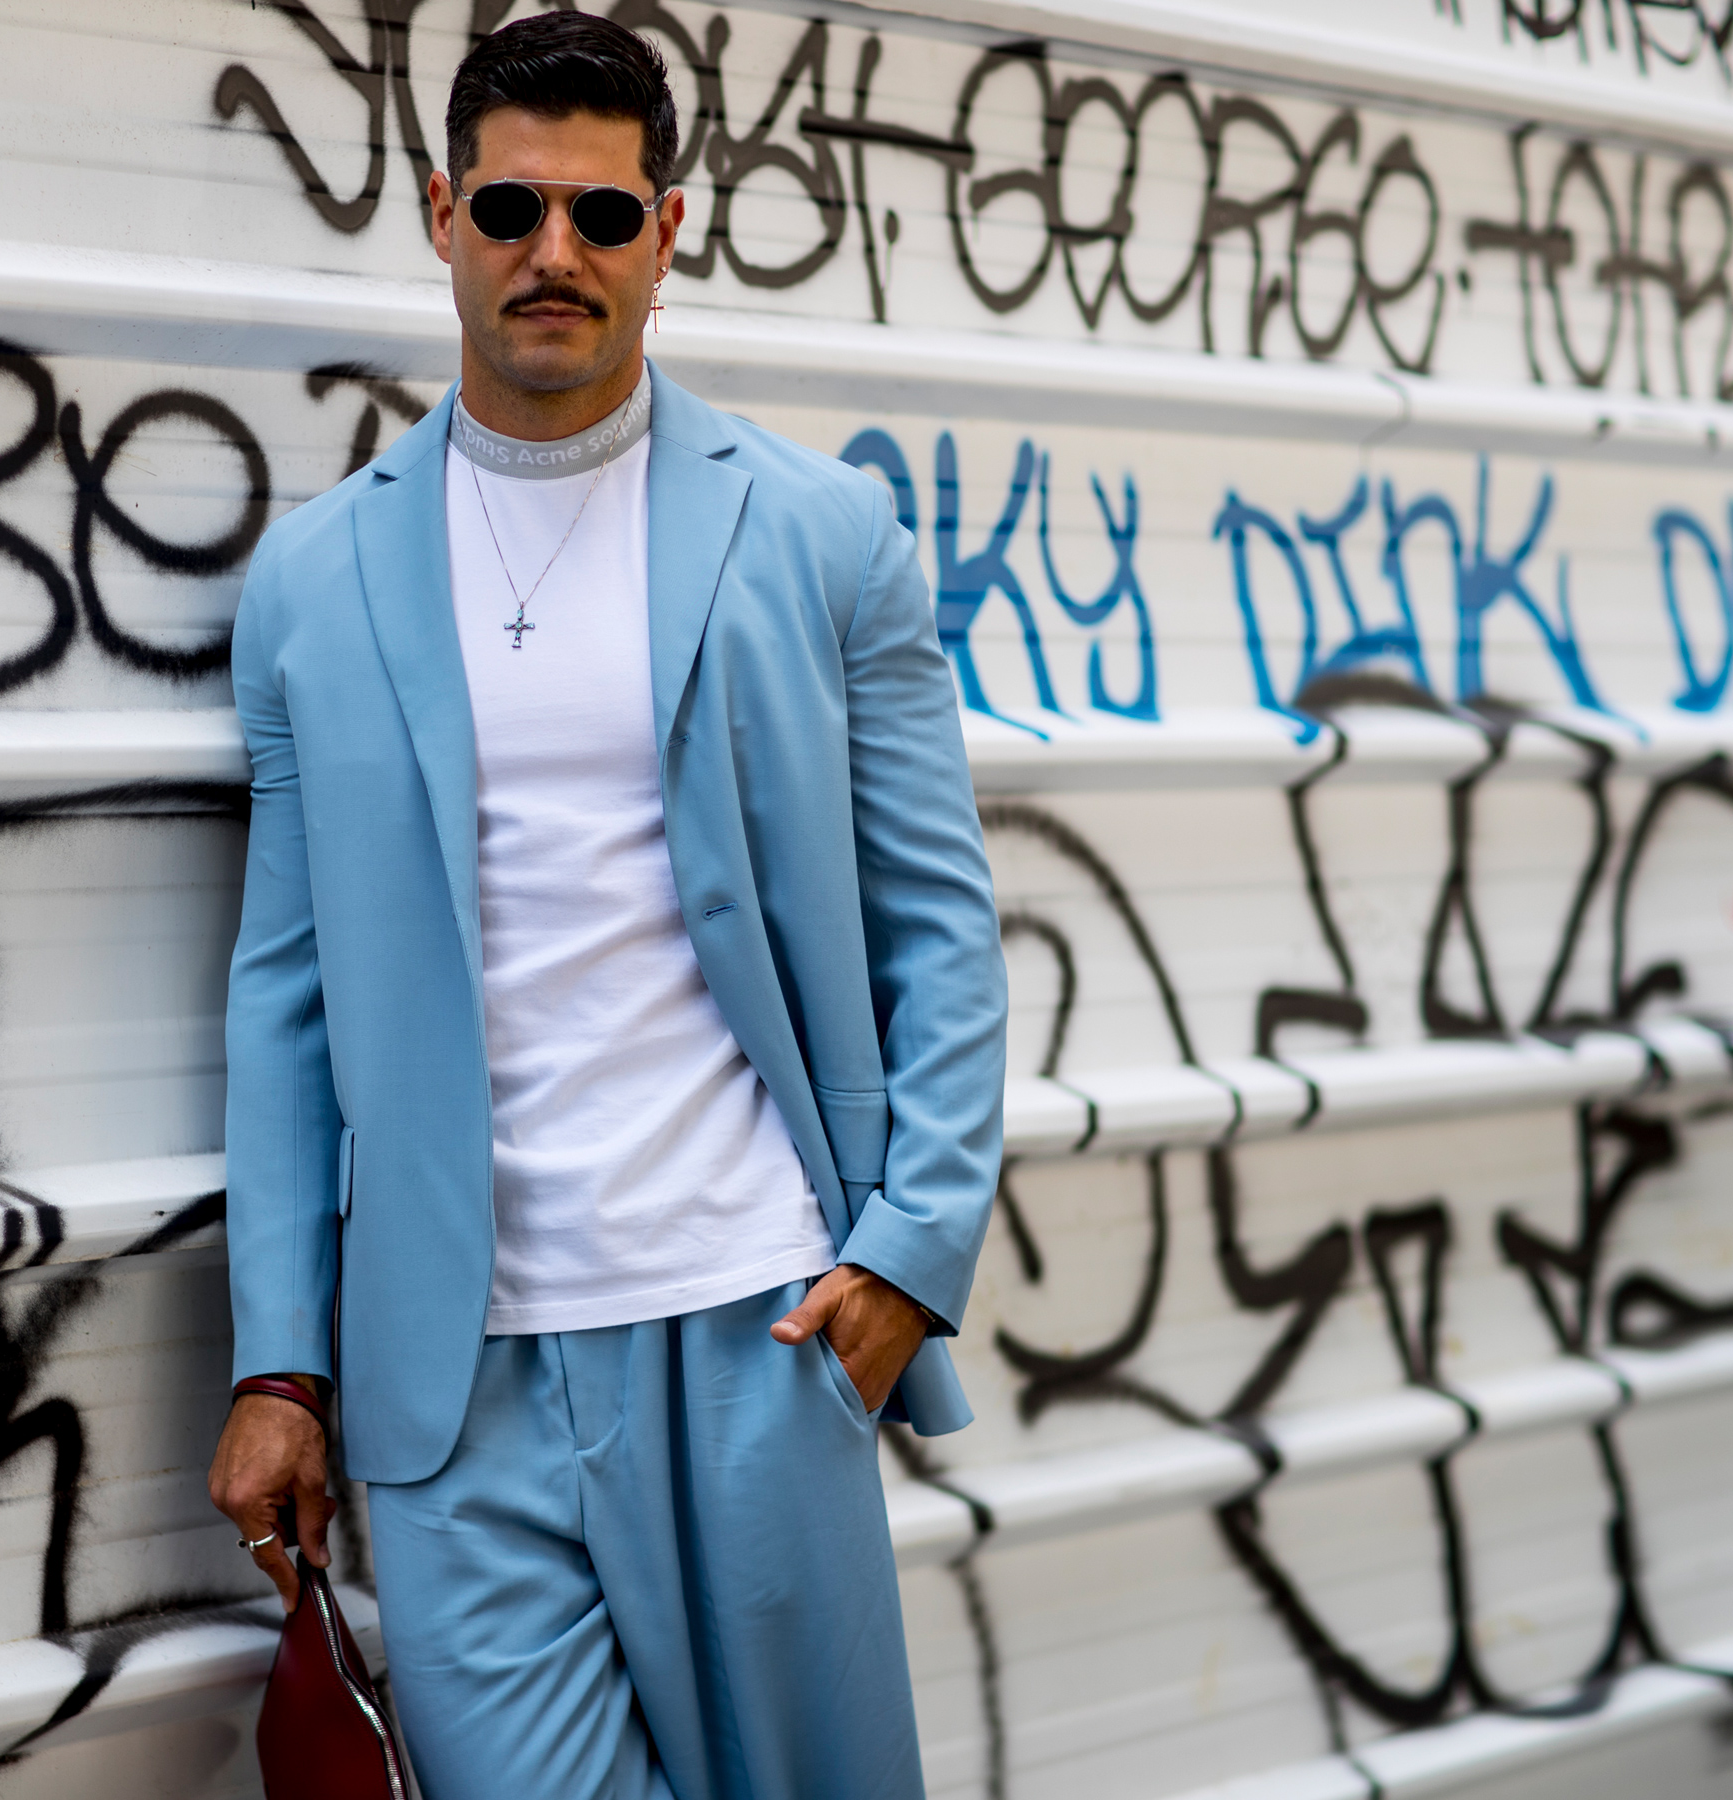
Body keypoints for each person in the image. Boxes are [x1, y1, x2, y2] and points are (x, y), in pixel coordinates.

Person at [206, 12, 1005, 1797]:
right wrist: (280, 1365)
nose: (552, 251)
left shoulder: (821, 536)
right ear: (443, 216)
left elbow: (938, 924)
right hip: (448, 1377)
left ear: (668, 231)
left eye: (601, 213)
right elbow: (286, 995)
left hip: (758, 1324)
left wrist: (909, 1250)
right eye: (509, 207)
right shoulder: (316, 579)